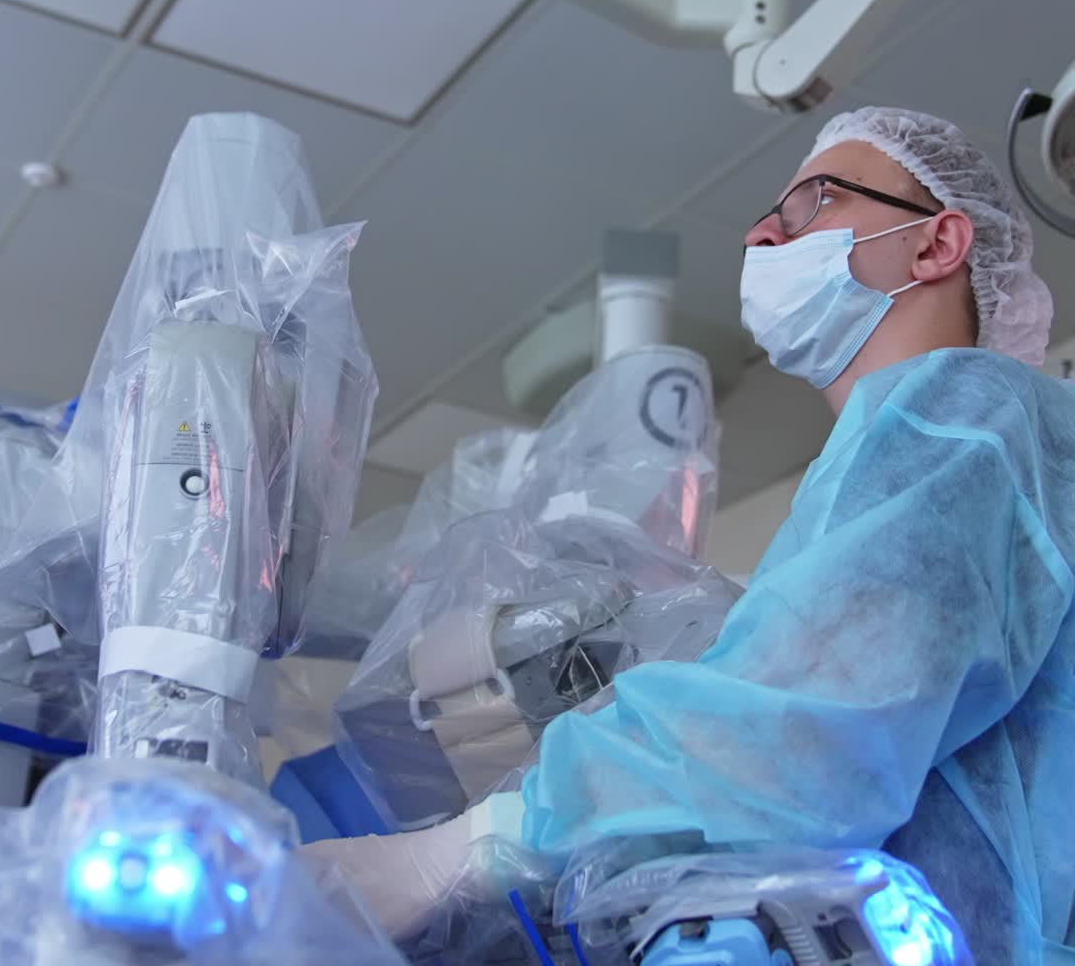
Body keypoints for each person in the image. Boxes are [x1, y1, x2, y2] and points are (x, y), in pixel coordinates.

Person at [307, 107, 1075, 963]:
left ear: (936, 245)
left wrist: (459, 851)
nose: (760, 233)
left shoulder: (963, 418)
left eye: (811, 202)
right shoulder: (934, 457)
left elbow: (799, 730)